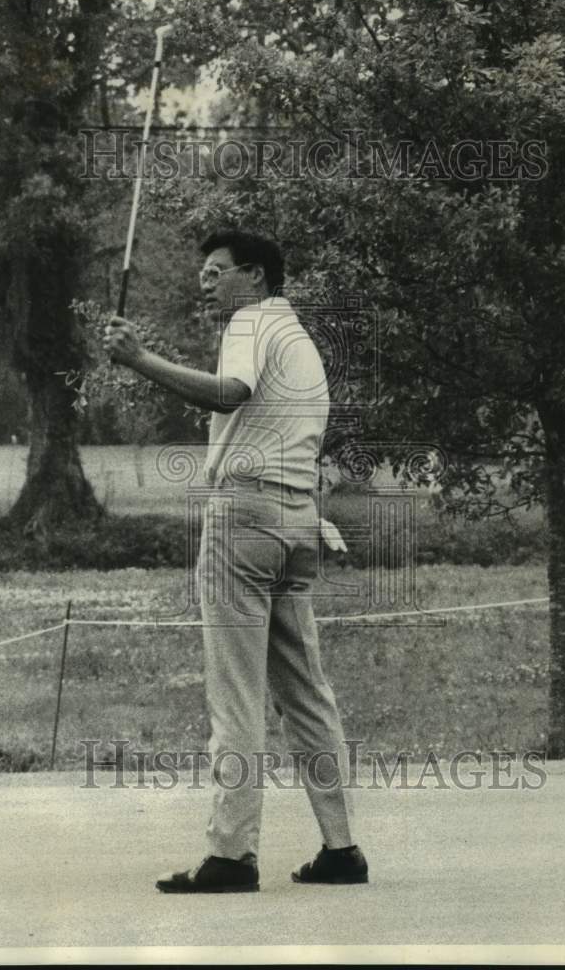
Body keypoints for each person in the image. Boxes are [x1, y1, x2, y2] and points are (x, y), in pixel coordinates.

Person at [103, 229, 367, 893]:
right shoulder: (303, 343)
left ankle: (231, 855)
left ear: (254, 276)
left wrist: (139, 359)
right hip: (298, 521)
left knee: (237, 695)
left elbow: (228, 393)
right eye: (205, 271)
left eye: (218, 270)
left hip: (245, 517)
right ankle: (342, 849)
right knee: (306, 691)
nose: (206, 280)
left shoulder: (251, 322)